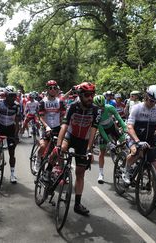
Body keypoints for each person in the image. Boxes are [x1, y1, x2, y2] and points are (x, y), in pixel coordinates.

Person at [51, 82, 100, 216]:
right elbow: (64, 126)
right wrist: (58, 145)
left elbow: (93, 130)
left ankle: (77, 204)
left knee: (80, 173)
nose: (90, 98)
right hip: (70, 136)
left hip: (83, 141)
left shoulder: (95, 110)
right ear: (80, 95)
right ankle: (48, 170)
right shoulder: (73, 106)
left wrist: (89, 150)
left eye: (92, 95)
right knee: (59, 150)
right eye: (87, 95)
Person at [123, 85, 156, 203]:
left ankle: (155, 195)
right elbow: (129, 126)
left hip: (150, 138)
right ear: (146, 96)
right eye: (151, 100)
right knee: (136, 151)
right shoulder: (137, 108)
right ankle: (126, 171)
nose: (153, 103)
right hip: (134, 135)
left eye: (155, 101)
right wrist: (137, 141)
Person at [0, 86, 21, 183]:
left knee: (12, 152)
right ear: (6, 96)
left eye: (14, 96)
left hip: (10, 128)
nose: (13, 98)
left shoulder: (17, 106)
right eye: (11, 96)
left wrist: (16, 135)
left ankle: (12, 174)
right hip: (0, 127)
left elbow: (17, 122)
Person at [92, 95, 127, 184]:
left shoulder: (110, 107)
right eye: (99, 107)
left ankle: (125, 161)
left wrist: (124, 127)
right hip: (103, 131)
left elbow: (118, 118)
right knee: (102, 152)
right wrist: (108, 142)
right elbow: (101, 130)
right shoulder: (95, 114)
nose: (102, 108)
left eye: (103, 106)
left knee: (124, 141)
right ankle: (101, 174)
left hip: (112, 127)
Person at [36, 80, 66, 172]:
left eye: (54, 88)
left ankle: (59, 170)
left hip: (57, 128)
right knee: (43, 146)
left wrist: (64, 125)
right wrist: (46, 126)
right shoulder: (43, 102)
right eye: (50, 88)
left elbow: (63, 115)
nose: (53, 89)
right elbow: (41, 117)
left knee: (59, 150)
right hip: (46, 127)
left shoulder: (59, 102)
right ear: (47, 90)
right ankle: (37, 161)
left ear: (57, 89)